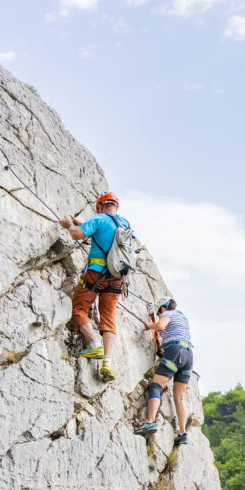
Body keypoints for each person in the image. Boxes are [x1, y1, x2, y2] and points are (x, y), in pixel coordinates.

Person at [59, 192, 129, 382]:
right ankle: (107, 361)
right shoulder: (125, 224)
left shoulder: (98, 218)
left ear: (99, 207)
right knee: (108, 316)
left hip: (95, 272)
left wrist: (70, 225)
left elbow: (76, 235)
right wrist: (81, 222)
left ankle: (94, 344)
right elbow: (103, 236)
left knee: (79, 307)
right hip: (116, 277)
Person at [134, 296, 193, 447]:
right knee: (179, 398)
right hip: (188, 355)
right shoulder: (183, 317)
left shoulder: (168, 314)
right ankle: (182, 433)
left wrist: (149, 326)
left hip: (175, 351)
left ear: (162, 308)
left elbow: (160, 326)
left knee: (156, 386)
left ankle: (150, 422)